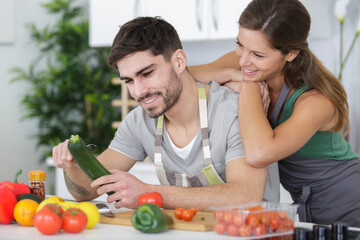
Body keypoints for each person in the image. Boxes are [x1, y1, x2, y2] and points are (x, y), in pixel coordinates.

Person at [52, 16, 280, 211]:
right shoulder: (139, 122)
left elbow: (246, 195)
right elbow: (85, 191)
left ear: (179, 62)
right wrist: (71, 163)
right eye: (129, 81)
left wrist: (148, 193)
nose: (139, 91)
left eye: (147, 73)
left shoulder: (233, 111)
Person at [190, 0, 360, 226]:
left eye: (258, 55)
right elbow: (181, 78)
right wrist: (231, 74)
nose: (243, 60)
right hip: (304, 205)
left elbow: (258, 153)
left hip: (347, 202)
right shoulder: (246, 64)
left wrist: (246, 86)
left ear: (290, 54)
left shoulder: (316, 100)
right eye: (240, 45)